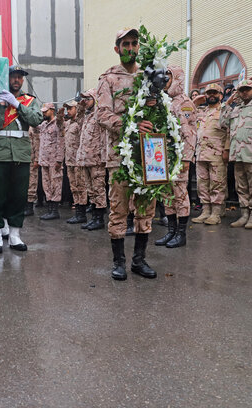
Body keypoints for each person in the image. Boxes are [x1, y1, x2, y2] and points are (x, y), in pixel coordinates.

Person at [97, 27, 157, 281]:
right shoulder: (108, 79)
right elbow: (102, 114)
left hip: (148, 154)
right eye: (126, 44)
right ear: (117, 48)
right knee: (119, 208)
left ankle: (139, 260)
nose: (130, 48)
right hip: (119, 155)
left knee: (146, 208)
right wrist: (129, 126)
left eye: (134, 44)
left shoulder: (150, 76)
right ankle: (119, 262)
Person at [0, 65, 43, 252]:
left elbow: (36, 119)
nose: (16, 80)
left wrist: (17, 105)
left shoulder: (30, 101)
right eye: (13, 77)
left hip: (21, 154)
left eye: (19, 77)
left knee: (18, 196)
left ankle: (15, 235)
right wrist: (3, 104)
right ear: (6, 79)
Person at [155, 66, 197, 248]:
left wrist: (186, 158)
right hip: (164, 156)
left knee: (180, 195)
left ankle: (181, 234)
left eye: (168, 77)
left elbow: (190, 134)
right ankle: (171, 231)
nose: (165, 80)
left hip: (179, 156)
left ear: (177, 79)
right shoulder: (165, 101)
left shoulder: (184, 103)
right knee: (167, 195)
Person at [220, 79, 252, 229]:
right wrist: (227, 104)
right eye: (241, 90)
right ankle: (244, 215)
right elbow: (222, 124)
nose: (244, 92)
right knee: (241, 186)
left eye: (247, 89)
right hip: (238, 153)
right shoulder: (236, 108)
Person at [191, 83, 229, 225]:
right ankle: (206, 210)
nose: (211, 95)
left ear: (221, 95)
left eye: (214, 93)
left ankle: (216, 213)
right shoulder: (202, 111)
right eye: (208, 93)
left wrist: (227, 150)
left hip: (217, 154)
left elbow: (230, 132)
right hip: (201, 153)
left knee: (217, 183)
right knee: (202, 184)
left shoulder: (225, 110)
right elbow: (186, 115)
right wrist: (194, 102)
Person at [76, 88, 107, 230]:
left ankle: (99, 218)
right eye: (84, 99)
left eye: (88, 99)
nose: (85, 102)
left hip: (96, 160)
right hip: (85, 159)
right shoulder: (87, 116)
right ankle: (94, 217)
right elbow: (78, 121)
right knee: (91, 190)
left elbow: (104, 138)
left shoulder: (99, 115)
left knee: (98, 189)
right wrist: (80, 107)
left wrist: (103, 157)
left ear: (95, 99)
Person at [36, 103, 65, 220]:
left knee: (55, 184)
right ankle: (49, 209)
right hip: (44, 160)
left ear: (52, 110)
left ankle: (55, 210)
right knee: (46, 185)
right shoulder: (43, 124)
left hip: (54, 161)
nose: (44, 113)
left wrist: (59, 159)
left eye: (45, 111)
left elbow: (61, 142)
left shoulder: (58, 124)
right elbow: (34, 127)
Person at [62, 100, 88, 225]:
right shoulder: (68, 124)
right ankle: (77, 211)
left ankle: (82, 213)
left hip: (78, 161)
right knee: (73, 186)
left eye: (70, 108)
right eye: (67, 109)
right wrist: (59, 114)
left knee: (80, 186)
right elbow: (58, 125)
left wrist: (81, 108)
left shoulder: (80, 123)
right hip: (69, 160)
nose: (68, 111)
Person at [25, 126, 41, 216]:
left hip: (31, 161)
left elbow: (37, 145)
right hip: (23, 159)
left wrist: (37, 159)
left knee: (32, 183)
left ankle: (29, 207)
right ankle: (24, 205)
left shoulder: (32, 128)